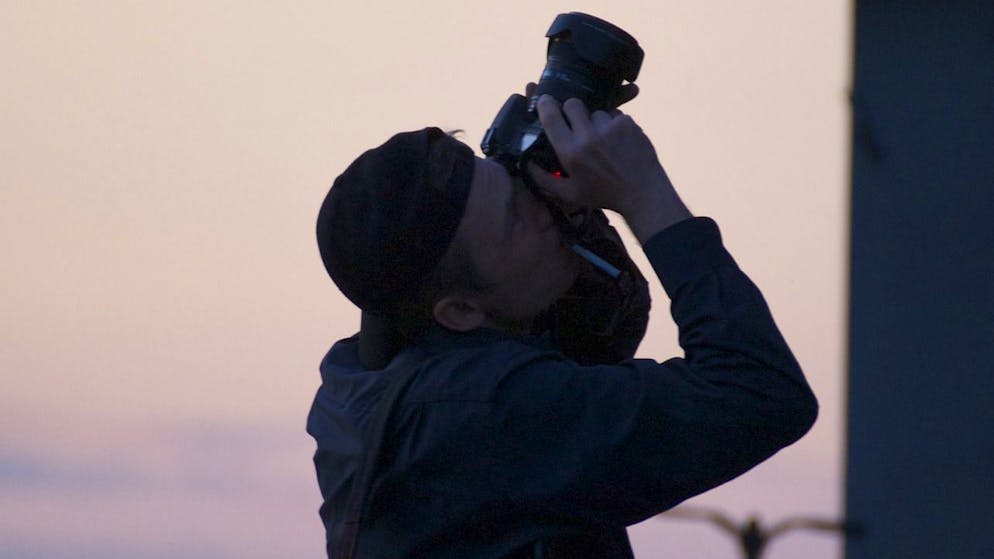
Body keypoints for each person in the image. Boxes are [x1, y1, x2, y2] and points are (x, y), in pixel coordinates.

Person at [307, 94, 818, 559]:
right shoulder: (490, 409)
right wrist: (645, 195)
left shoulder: (364, 379)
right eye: (515, 217)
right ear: (460, 311)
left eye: (509, 179)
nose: (540, 211)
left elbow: (599, 335)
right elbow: (759, 391)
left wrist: (570, 208)